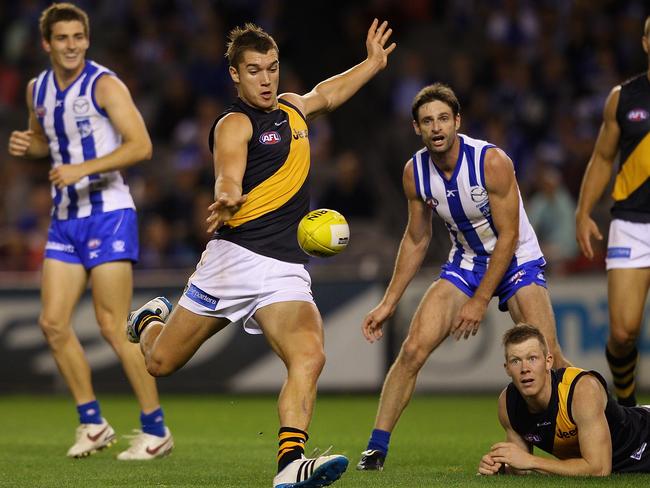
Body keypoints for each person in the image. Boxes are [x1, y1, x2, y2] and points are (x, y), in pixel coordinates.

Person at [126, 20, 395, 488]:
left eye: (272, 68)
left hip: (285, 269)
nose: (267, 79)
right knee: (159, 364)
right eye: (255, 71)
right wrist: (228, 193)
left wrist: (371, 64)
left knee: (309, 355)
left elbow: (327, 94)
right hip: (233, 260)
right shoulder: (233, 123)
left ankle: (290, 463)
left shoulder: (292, 109)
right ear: (235, 74)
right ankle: (151, 320)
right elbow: (228, 170)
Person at [356, 83, 570, 471]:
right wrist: (388, 302)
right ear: (416, 128)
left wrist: (478, 301)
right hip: (466, 263)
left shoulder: (492, 162)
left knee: (550, 359)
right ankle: (375, 450)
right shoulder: (414, 173)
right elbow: (417, 238)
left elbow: (508, 237)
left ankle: (607, 424)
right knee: (411, 350)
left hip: (517, 259)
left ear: (457, 121)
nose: (436, 127)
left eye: (442, 118)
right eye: (427, 121)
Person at [7, 3, 172, 460]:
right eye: (62, 38)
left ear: (87, 38)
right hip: (65, 218)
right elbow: (45, 138)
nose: (72, 44)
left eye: (78, 36)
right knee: (53, 324)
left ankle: (156, 430)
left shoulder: (105, 84)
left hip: (110, 213)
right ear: (47, 43)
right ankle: (93, 423)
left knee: (113, 326)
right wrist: (30, 144)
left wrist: (83, 168)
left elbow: (141, 145)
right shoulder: (36, 89)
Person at [575, 16, 650, 408]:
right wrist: (583, 211)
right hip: (632, 223)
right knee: (622, 334)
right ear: (645, 43)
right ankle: (628, 406)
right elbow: (603, 157)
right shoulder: (624, 98)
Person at [478, 323, 650, 475]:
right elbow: (523, 468)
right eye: (516, 361)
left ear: (548, 362)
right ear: (507, 368)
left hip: (644, 439)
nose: (525, 368)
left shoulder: (581, 390)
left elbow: (599, 469)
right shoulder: (508, 404)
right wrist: (502, 467)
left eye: (532, 358)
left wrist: (532, 461)